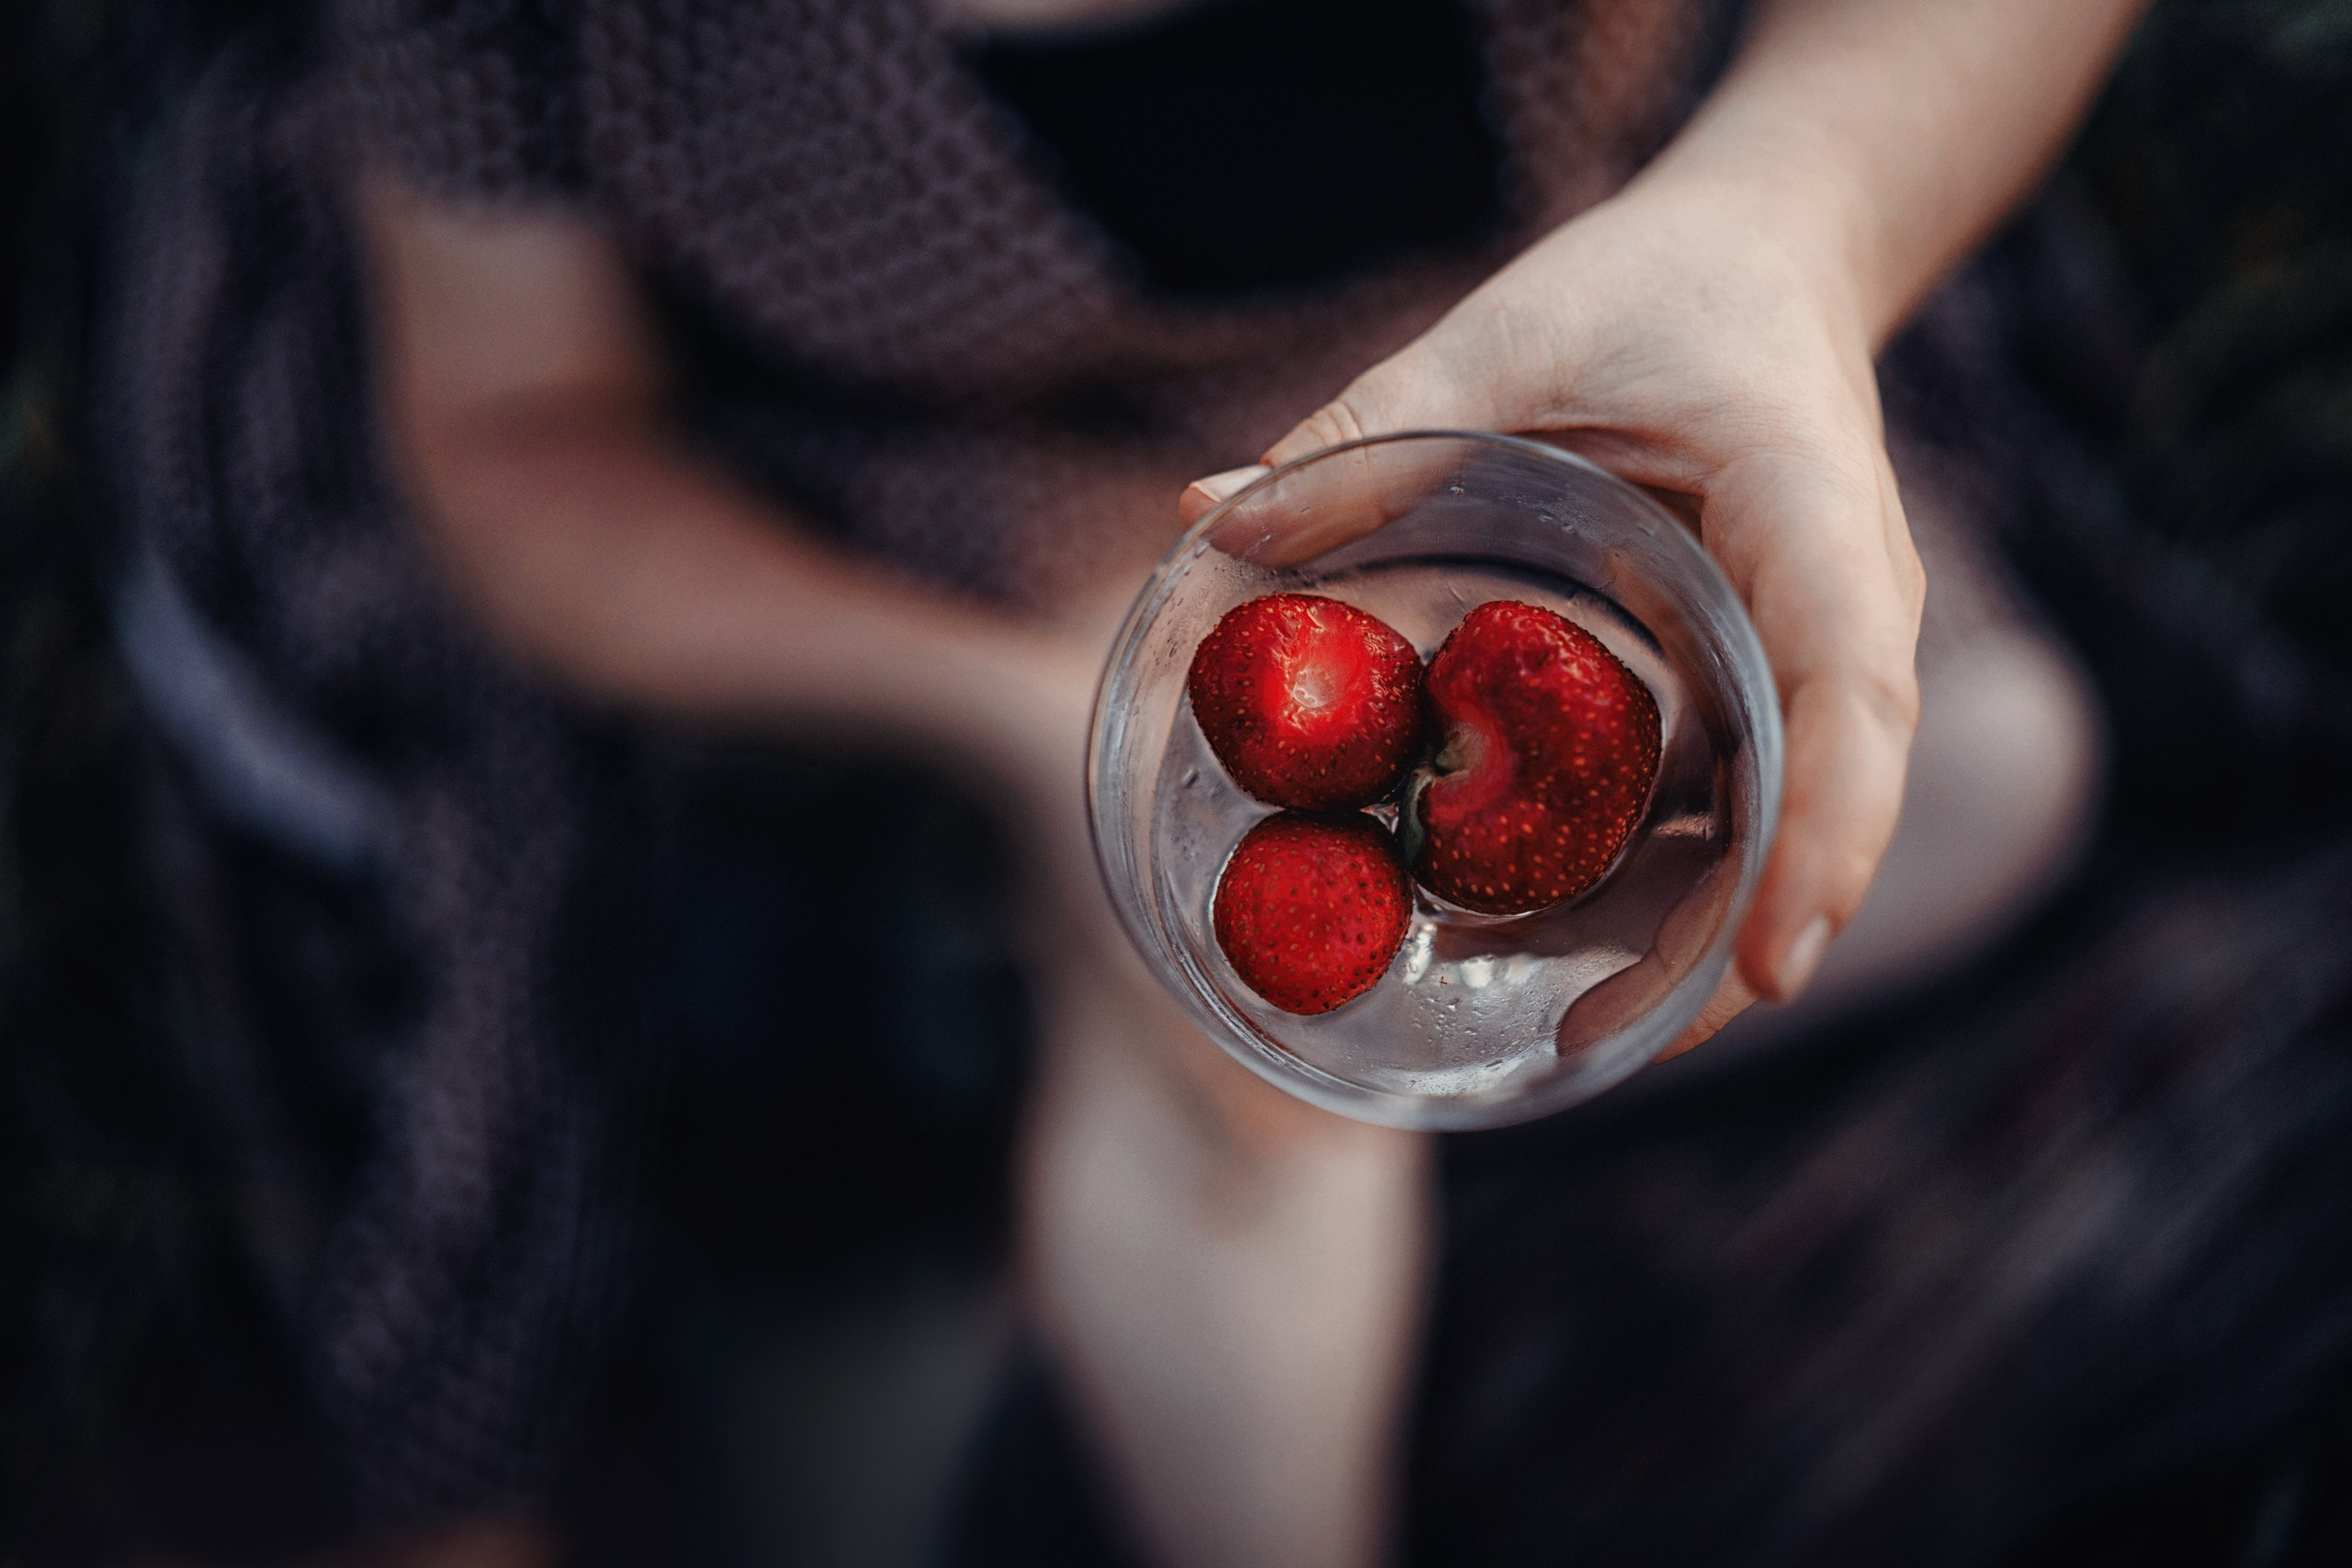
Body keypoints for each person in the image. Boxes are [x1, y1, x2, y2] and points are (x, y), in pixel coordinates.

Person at [101, 0, 2141, 1561]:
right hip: (959, 471)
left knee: (1989, 776)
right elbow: (520, 427)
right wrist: (1010, 709)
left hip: (1532, 371)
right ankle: (1201, 1168)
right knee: (1250, 1065)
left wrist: (1783, 219)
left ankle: (1181, 1144)